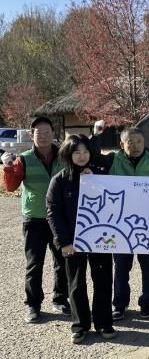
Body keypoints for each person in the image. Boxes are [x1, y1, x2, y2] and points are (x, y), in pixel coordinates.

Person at [46, 134, 115, 344]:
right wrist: (64, 242)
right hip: (72, 242)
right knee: (76, 284)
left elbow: (114, 204)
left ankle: (104, 322)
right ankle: (80, 325)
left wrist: (94, 180)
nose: (82, 156)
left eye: (86, 152)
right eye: (77, 152)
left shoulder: (101, 175)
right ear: (68, 154)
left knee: (103, 281)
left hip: (100, 239)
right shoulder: (59, 180)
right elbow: (53, 213)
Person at [1, 116, 69, 323]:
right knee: (34, 264)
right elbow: (11, 187)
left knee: (62, 261)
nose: (44, 136)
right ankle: (33, 304)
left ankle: (60, 299)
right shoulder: (24, 159)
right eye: (39, 133)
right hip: (35, 218)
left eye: (47, 132)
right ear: (32, 136)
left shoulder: (64, 156)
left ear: (53, 134)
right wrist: (8, 167)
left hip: (60, 218)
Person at [107, 128, 149, 321]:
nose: (135, 145)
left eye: (139, 141)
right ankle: (120, 304)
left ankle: (147, 303)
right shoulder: (113, 161)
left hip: (148, 222)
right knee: (121, 267)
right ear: (122, 144)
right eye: (130, 141)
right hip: (120, 223)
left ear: (145, 142)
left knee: (148, 266)